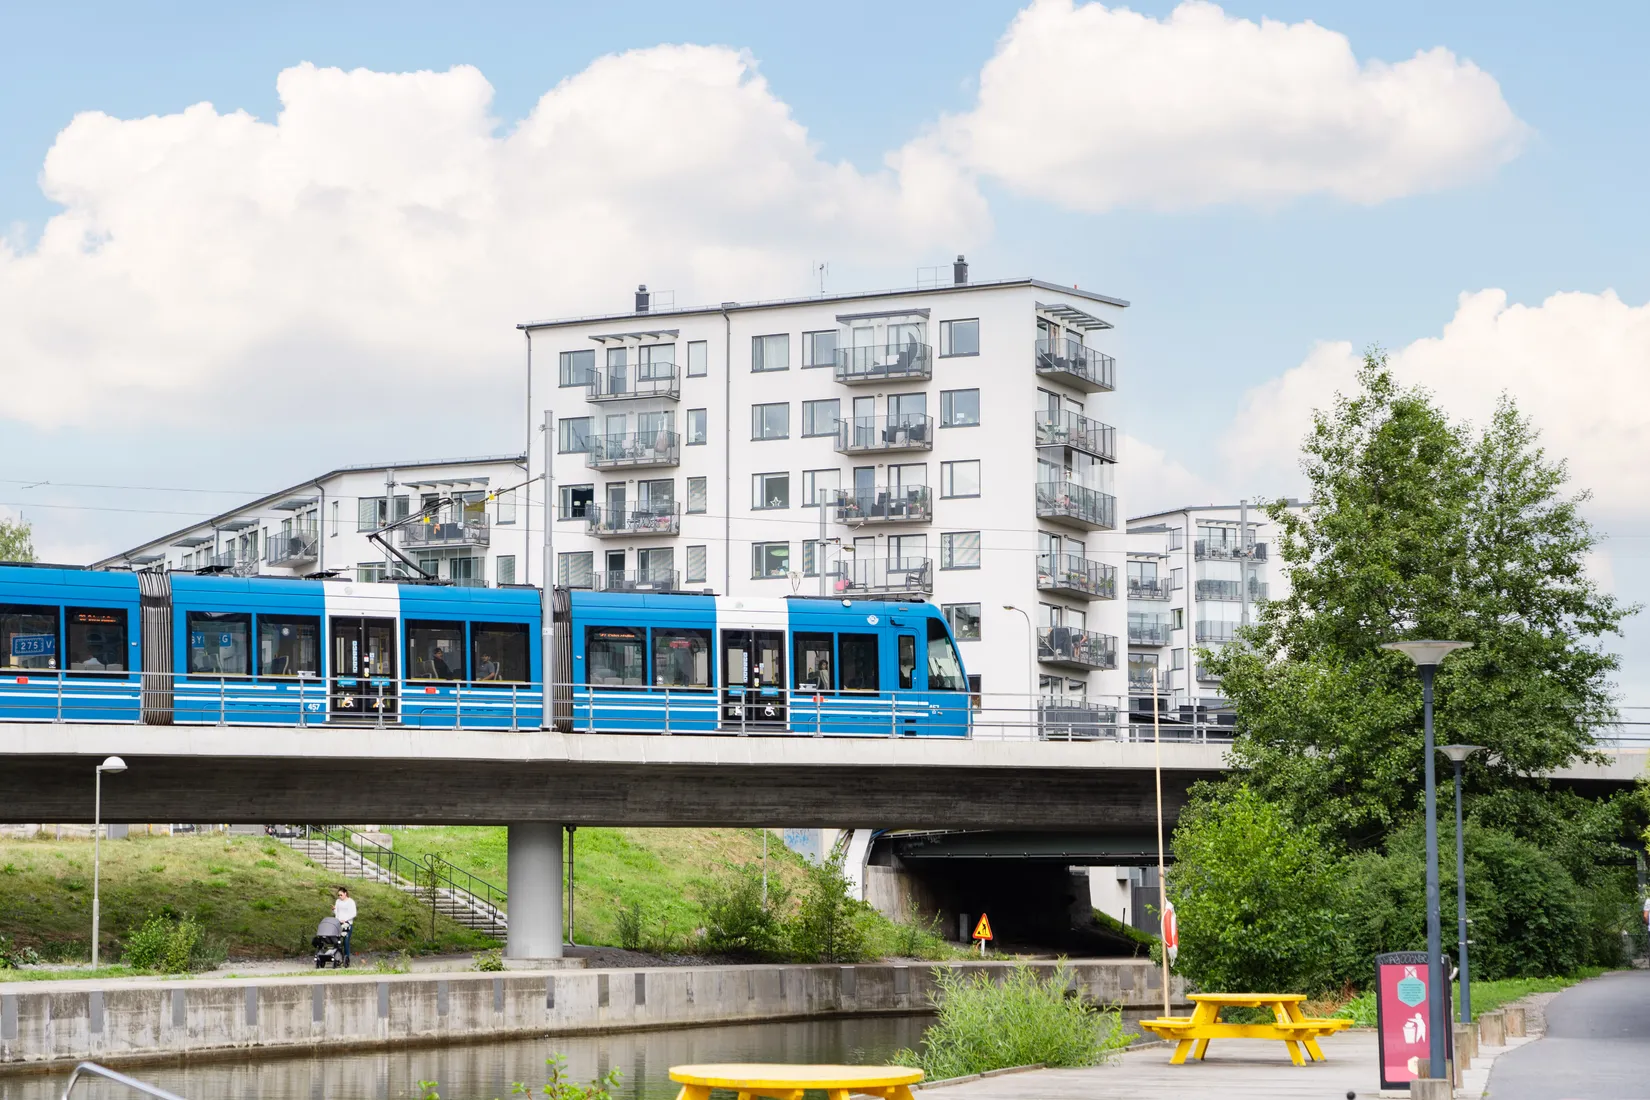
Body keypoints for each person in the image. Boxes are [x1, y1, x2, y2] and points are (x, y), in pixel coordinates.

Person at [333, 886, 357, 967]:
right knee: (337, 941)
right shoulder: (338, 901)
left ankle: (346, 958)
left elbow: (354, 913)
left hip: (347, 923)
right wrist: (334, 910)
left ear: (345, 894)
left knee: (346, 941)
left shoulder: (350, 902)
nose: (340, 897)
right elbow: (337, 911)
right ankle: (337, 957)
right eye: (339, 895)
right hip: (338, 922)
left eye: (341, 895)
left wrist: (345, 919)